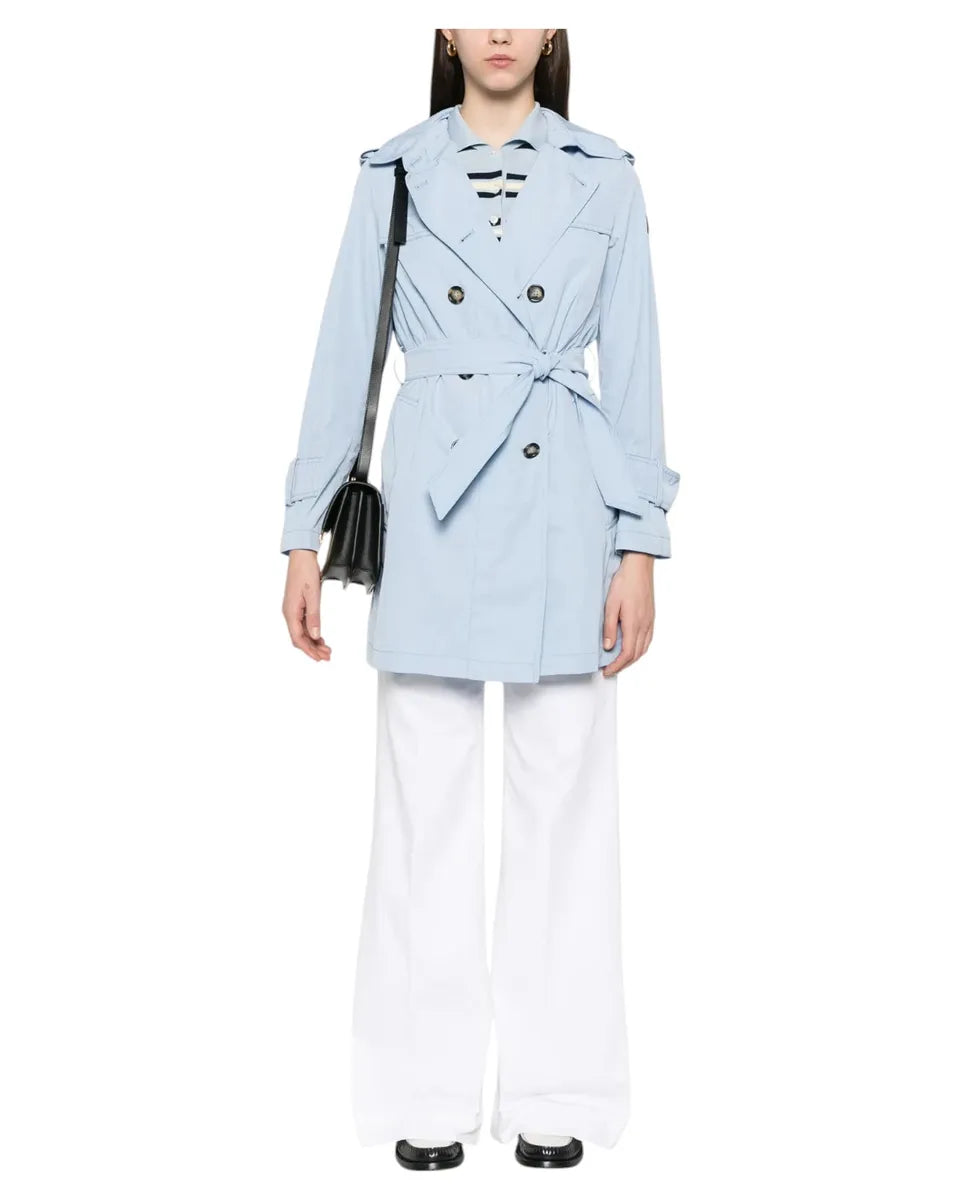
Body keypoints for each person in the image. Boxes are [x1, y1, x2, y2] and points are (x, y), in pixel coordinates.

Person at [280, 28, 680, 1172]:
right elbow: (344, 353)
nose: (500, 27)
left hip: (567, 508)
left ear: (554, 29)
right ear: (444, 29)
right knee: (424, 815)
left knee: (566, 816)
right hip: (430, 512)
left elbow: (635, 364)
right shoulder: (393, 171)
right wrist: (303, 528)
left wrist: (641, 538)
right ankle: (423, 1094)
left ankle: (560, 1090)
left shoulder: (607, 174)